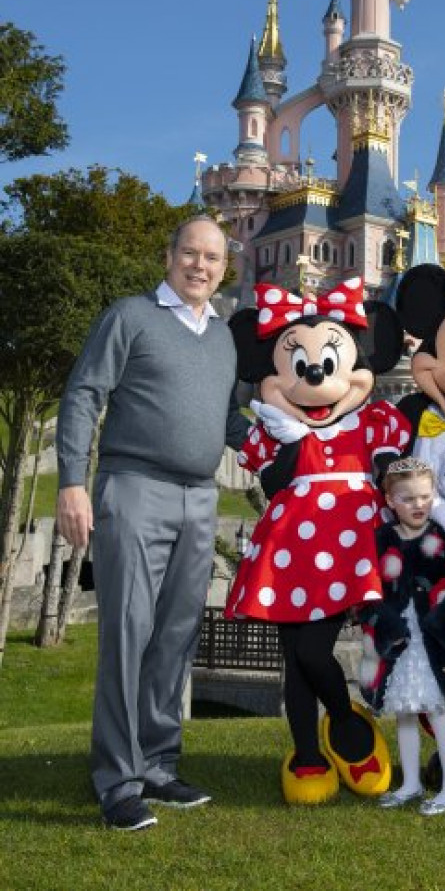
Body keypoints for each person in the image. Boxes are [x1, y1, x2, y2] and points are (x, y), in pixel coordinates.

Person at [56, 215, 251, 832]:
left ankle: (158, 764)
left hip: (200, 496)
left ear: (225, 269)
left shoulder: (222, 337)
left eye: (212, 259)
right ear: (168, 257)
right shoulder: (130, 317)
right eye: (189, 253)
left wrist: (295, 462)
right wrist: (71, 483)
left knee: (175, 637)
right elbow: (85, 392)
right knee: (129, 634)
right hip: (135, 489)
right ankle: (117, 780)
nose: (200, 266)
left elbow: (230, 423)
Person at [223, 278, 409, 804]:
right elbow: (271, 481)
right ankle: (307, 752)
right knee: (294, 656)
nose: (314, 377)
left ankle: (347, 725)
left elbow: (389, 464)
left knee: (312, 650)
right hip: (289, 552)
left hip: (348, 548)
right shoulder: (275, 431)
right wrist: (288, 435)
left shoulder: (372, 419)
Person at [360, 458, 445, 816]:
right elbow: (369, 590)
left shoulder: (444, 539)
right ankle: (411, 783)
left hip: (435, 640)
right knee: (404, 710)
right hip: (400, 641)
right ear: (390, 501)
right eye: (408, 498)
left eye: (424, 496)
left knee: (438, 711)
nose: (418, 505)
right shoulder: (381, 539)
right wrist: (382, 621)